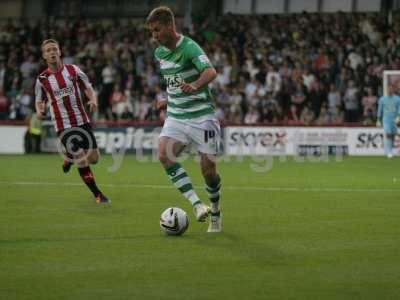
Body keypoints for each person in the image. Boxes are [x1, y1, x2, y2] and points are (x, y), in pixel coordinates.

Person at [146, 6, 222, 232]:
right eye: (151, 32)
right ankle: (197, 204)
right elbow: (175, 84)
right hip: (177, 116)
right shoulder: (159, 53)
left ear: (170, 26)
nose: (154, 36)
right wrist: (166, 100)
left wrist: (195, 85)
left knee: (209, 172)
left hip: (202, 117)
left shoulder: (189, 47)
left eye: (157, 30)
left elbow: (210, 72)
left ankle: (216, 211)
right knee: (164, 154)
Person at [35, 39, 109, 203]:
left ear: (60, 52)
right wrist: (39, 110)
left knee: (94, 159)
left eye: (55, 49)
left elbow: (88, 88)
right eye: (48, 50)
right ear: (44, 56)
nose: (52, 52)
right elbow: (39, 100)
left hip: (82, 119)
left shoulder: (73, 70)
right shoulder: (42, 79)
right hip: (63, 124)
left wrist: (93, 100)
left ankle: (68, 156)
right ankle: (98, 195)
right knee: (81, 158)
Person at [377, 84, 400, 158]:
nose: (390, 90)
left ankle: (391, 150)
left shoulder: (397, 99)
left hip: (395, 119)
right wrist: (378, 119)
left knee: (393, 135)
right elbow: (380, 109)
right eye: (388, 89)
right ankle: (389, 152)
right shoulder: (382, 99)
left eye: (391, 89)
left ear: (393, 90)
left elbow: (399, 108)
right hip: (386, 119)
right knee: (388, 134)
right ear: (386, 90)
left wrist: (399, 116)